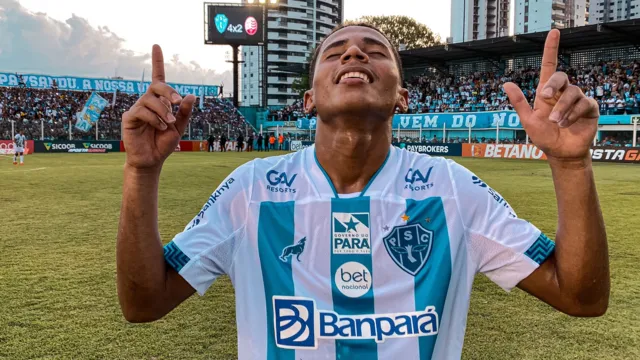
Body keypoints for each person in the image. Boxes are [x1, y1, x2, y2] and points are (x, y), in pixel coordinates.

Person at [117, 27, 609, 360]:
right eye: (335, 52)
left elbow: (581, 297)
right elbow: (144, 304)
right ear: (309, 101)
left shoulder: (452, 189)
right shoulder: (253, 190)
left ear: (402, 97)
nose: (353, 54)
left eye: (374, 51)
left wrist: (570, 162)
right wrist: (141, 171)